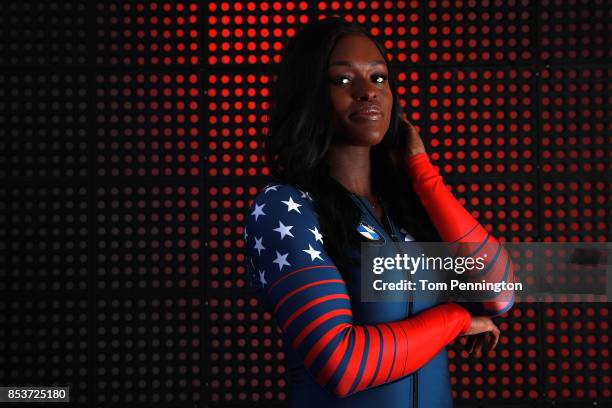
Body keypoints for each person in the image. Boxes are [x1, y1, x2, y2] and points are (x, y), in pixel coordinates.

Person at [243, 17, 514, 408]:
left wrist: (423, 173)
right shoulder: (284, 208)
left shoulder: (406, 208)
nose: (367, 92)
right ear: (309, 95)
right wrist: (454, 320)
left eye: (379, 78)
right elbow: (342, 364)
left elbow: (498, 294)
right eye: (343, 80)